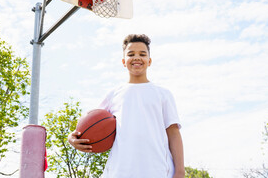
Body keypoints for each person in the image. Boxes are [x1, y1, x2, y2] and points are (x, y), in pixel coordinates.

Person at [68, 34, 184, 178]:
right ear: (124, 61)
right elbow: (91, 126)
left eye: (142, 54)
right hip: (119, 171)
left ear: (149, 61)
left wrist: (179, 171)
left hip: (157, 170)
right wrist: (71, 138)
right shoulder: (113, 94)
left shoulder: (163, 94)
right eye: (131, 54)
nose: (136, 57)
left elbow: (173, 133)